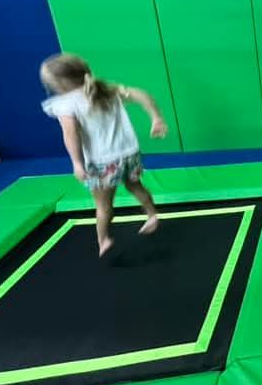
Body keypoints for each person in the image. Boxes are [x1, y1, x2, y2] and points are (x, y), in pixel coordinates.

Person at [40, 53, 168, 256]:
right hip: (129, 154)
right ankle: (152, 215)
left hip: (102, 162)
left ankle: (103, 239)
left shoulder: (66, 104)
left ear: (59, 85)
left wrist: (77, 163)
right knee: (135, 186)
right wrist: (156, 118)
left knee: (103, 205)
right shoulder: (107, 89)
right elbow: (142, 95)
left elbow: (70, 133)